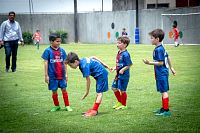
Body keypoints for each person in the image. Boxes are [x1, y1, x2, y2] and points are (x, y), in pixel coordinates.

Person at [66, 52, 111, 117]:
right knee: (98, 92)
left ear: (75, 61)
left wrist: (87, 92)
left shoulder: (84, 66)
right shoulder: (82, 59)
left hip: (101, 75)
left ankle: (94, 111)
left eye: (70, 65)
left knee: (99, 93)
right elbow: (93, 57)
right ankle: (94, 109)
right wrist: (104, 64)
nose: (71, 67)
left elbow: (88, 80)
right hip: (99, 74)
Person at [143, 29, 176, 116]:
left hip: (161, 73)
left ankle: (166, 111)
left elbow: (161, 63)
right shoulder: (161, 47)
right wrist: (171, 67)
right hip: (161, 73)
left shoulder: (159, 50)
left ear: (157, 39)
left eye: (152, 38)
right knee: (162, 91)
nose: (150, 39)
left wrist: (149, 62)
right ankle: (163, 108)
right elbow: (168, 57)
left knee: (164, 91)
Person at [41, 33, 73, 112]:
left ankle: (67, 105)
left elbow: (65, 63)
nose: (59, 43)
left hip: (61, 75)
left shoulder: (62, 51)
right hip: (52, 75)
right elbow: (45, 63)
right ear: (51, 41)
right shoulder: (47, 51)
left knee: (64, 89)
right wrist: (46, 75)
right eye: (57, 41)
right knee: (54, 90)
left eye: (60, 41)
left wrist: (66, 74)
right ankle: (56, 106)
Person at [111, 36, 133, 110]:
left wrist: (123, 69)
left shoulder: (126, 54)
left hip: (124, 75)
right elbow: (120, 63)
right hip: (118, 75)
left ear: (125, 44)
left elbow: (129, 64)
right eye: (117, 42)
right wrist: (115, 67)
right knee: (114, 88)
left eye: (119, 43)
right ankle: (119, 102)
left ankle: (124, 105)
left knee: (122, 90)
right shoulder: (119, 52)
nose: (117, 44)